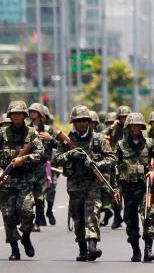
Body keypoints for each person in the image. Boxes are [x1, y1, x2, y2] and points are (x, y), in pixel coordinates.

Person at [54, 105, 115, 261]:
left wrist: (97, 164)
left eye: (84, 120)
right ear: (73, 122)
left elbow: (112, 158)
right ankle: (82, 248)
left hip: (93, 182)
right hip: (74, 184)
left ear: (89, 121)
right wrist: (70, 154)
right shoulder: (67, 139)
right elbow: (55, 159)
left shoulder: (99, 138)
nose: (81, 123)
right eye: (78, 120)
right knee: (78, 217)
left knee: (93, 213)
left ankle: (92, 247)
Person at [0, 100, 44, 261]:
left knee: (27, 212)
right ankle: (14, 249)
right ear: (10, 116)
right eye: (14, 114)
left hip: (25, 180)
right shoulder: (1, 134)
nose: (17, 116)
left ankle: (26, 236)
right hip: (6, 182)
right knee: (8, 216)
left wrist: (24, 159)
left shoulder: (32, 133)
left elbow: (41, 154)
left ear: (24, 115)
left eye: (20, 113)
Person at [113, 112, 154, 262]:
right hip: (128, 189)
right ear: (128, 127)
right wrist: (116, 189)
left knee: (149, 216)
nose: (136, 128)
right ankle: (136, 250)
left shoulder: (150, 143)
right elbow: (114, 167)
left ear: (142, 127)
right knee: (131, 221)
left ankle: (148, 250)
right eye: (133, 125)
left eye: (138, 125)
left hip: (145, 188)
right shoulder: (121, 145)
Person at [27, 102, 55, 231]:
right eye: (31, 111)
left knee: (40, 197)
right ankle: (28, 221)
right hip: (28, 166)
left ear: (40, 114)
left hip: (43, 167)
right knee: (27, 197)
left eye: (35, 111)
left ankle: (38, 221)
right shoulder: (26, 129)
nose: (32, 113)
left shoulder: (49, 130)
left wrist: (51, 139)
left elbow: (60, 145)